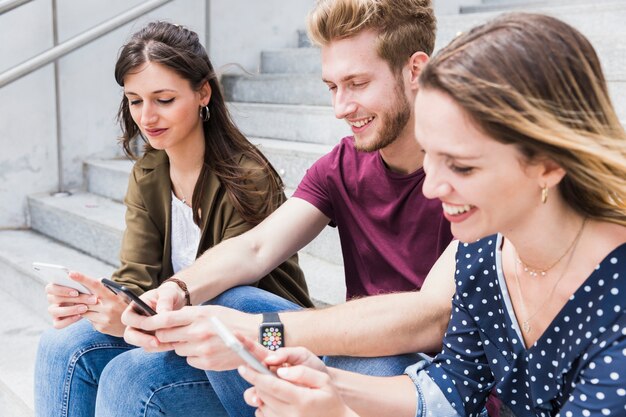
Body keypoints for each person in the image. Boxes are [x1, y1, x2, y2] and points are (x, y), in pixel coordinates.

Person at [239, 12, 626, 417]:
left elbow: (426, 322)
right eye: (431, 156)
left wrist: (334, 409)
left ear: (547, 164)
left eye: (461, 165)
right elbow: (452, 386)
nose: (430, 186)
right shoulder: (483, 254)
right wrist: (325, 383)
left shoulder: (614, 297)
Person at [116, 0, 455, 416]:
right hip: (344, 346)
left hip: (430, 373)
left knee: (354, 359)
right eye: (332, 87)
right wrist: (177, 289)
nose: (340, 107)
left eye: (358, 83)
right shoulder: (342, 165)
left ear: (415, 70)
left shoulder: (468, 169)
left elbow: (431, 316)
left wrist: (265, 332)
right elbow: (256, 248)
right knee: (147, 365)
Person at [34, 21, 312, 417]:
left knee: (129, 378)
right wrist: (96, 303)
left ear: (203, 93)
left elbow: (229, 297)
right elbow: (138, 278)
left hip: (252, 343)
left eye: (163, 99)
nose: (147, 117)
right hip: (180, 328)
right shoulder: (149, 173)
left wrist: (131, 320)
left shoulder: (245, 177)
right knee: (60, 344)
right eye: (134, 100)